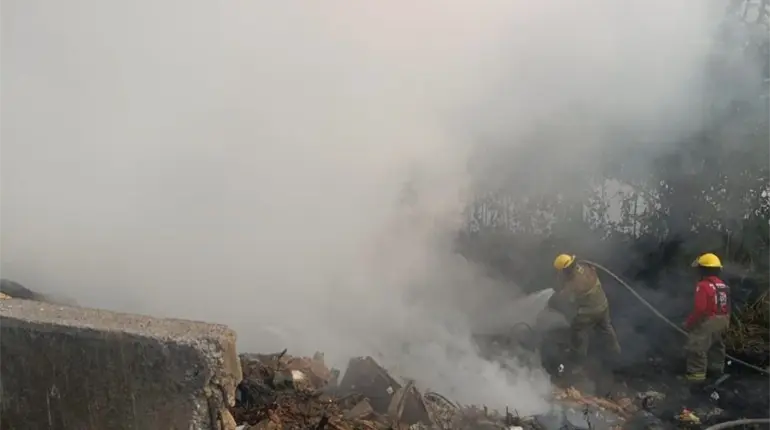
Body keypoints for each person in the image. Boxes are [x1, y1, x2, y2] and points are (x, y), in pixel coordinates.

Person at [550, 254, 621, 374]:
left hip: (590, 311)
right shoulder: (585, 266)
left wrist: (554, 297)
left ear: (565, 270)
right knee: (606, 327)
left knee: (577, 329)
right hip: (603, 304)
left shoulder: (573, 283)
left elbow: (566, 297)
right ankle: (616, 351)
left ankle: (578, 360)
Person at [683, 253, 730, 384]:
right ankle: (716, 375)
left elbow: (700, 309)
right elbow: (727, 305)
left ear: (702, 269)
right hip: (723, 319)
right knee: (717, 347)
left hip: (709, 321)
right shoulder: (722, 285)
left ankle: (696, 381)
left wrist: (689, 324)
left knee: (696, 348)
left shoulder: (703, 285)